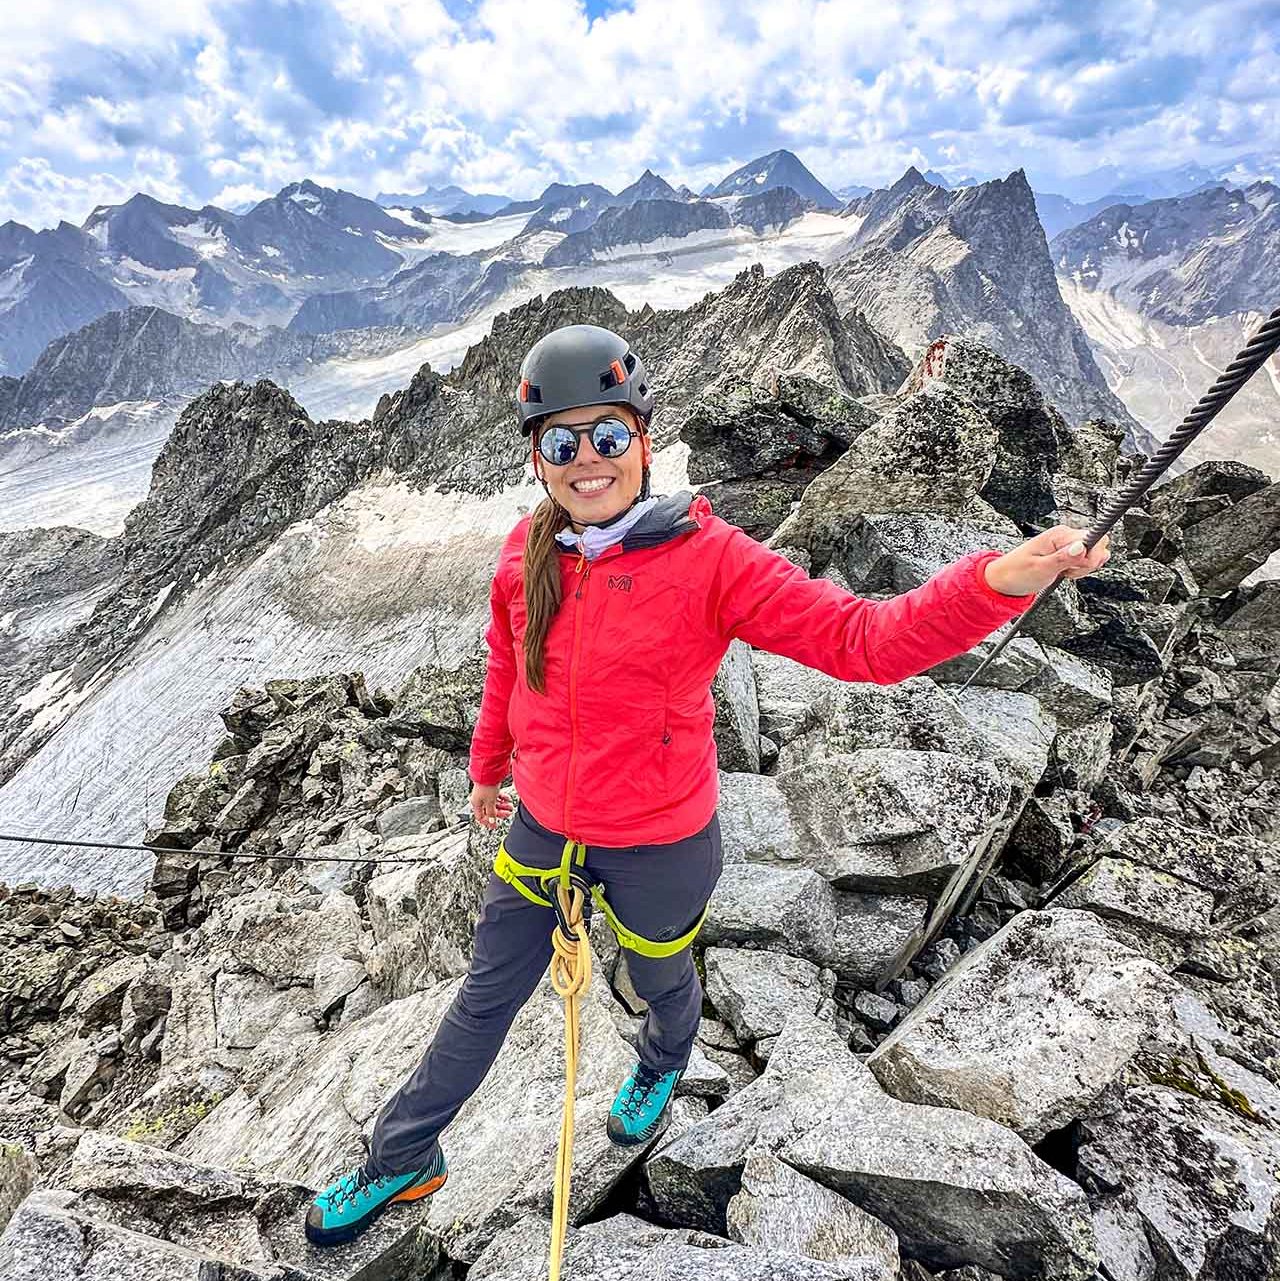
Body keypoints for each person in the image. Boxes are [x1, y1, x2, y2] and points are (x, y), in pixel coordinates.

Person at [304, 323, 1111, 1246]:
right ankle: (401, 1157)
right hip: (543, 830)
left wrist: (1000, 579)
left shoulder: (712, 559)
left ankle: (663, 1058)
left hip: (660, 838)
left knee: (661, 977)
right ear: (539, 458)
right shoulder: (525, 560)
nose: (587, 459)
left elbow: (865, 642)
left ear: (643, 438)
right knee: (483, 1000)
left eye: (606, 435)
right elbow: (507, 673)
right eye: (561, 442)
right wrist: (490, 771)